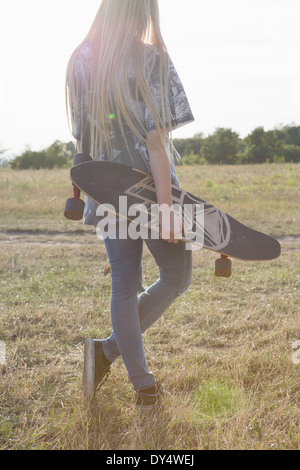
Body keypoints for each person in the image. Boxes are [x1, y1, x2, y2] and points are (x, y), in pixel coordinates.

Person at [66, 0, 194, 409]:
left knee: (124, 282)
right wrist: (165, 206)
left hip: (103, 184)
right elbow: (156, 143)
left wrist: (86, 187)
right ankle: (120, 366)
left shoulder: (81, 58)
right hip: (146, 187)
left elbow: (80, 138)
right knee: (176, 277)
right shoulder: (150, 59)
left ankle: (127, 372)